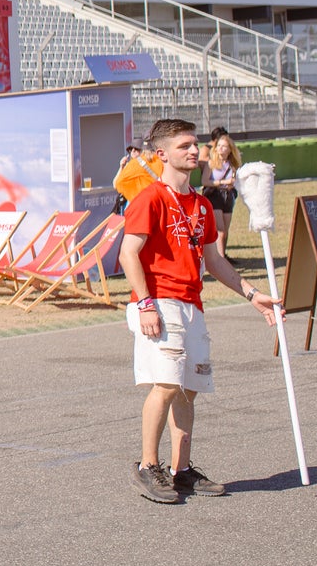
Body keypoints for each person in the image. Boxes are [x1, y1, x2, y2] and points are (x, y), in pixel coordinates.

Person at [119, 117, 279, 504]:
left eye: (195, 144)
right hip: (159, 302)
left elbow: (214, 261)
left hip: (192, 303)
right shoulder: (150, 198)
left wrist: (251, 293)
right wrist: (145, 304)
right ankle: (147, 466)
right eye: (184, 146)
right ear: (161, 154)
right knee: (167, 384)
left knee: (189, 389)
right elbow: (128, 254)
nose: (194, 150)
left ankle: (182, 469)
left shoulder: (202, 204)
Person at [201, 127, 242, 249]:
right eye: (219, 145)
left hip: (228, 196)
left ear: (230, 149)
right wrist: (223, 182)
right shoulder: (211, 162)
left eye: (224, 146)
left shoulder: (233, 164)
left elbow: (236, 179)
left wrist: (233, 183)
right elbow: (205, 181)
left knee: (225, 230)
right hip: (215, 196)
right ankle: (221, 259)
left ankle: (223, 254)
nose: (220, 148)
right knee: (220, 230)